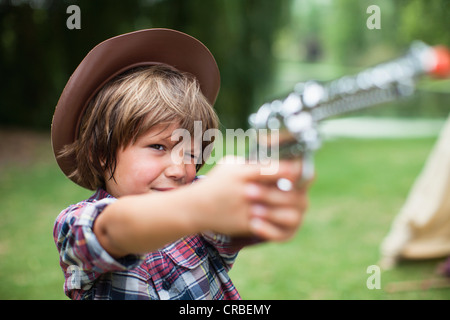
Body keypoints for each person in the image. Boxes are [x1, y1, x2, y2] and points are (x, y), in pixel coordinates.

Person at [52, 28, 310, 300]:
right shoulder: (76, 221)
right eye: (158, 147)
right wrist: (199, 206)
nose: (178, 170)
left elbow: (241, 216)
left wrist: (269, 186)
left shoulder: (198, 198)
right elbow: (112, 230)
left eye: (189, 154)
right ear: (101, 152)